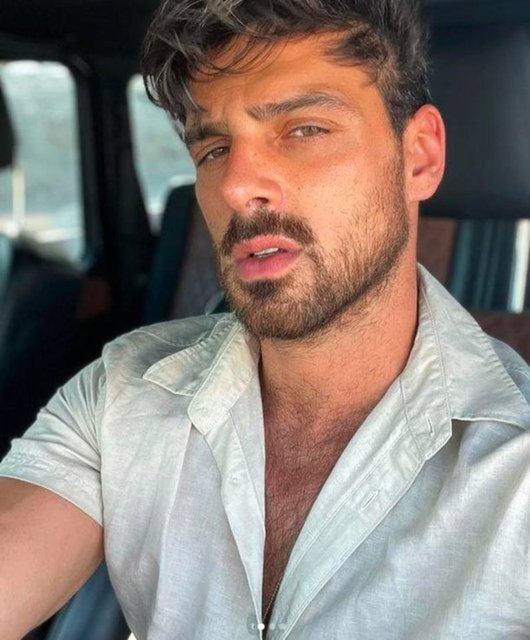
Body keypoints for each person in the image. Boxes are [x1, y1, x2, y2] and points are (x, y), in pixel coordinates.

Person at [0, 0, 529, 638]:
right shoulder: (122, 393)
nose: (235, 185)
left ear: (418, 157)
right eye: (214, 148)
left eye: (304, 129)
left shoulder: (515, 472)